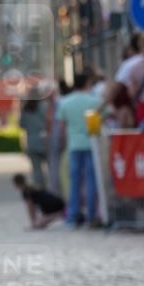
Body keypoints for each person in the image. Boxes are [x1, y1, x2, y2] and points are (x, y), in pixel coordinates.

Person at [57, 72, 99, 228]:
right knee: (91, 181)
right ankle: (91, 214)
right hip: (92, 145)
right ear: (87, 83)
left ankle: (73, 215)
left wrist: (63, 144)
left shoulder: (64, 102)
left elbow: (61, 128)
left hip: (74, 146)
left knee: (74, 182)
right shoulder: (95, 101)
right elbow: (104, 118)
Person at [19, 92, 49, 188]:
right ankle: (51, 188)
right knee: (51, 167)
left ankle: (40, 188)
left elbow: (21, 125)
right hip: (45, 142)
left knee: (36, 170)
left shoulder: (26, 108)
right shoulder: (45, 106)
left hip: (32, 143)